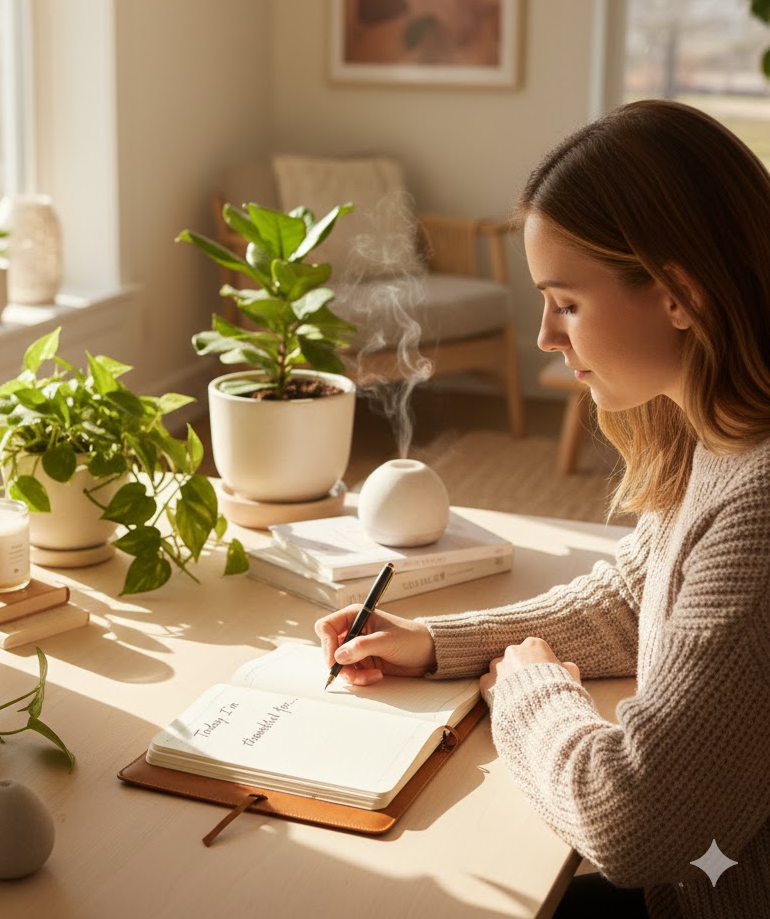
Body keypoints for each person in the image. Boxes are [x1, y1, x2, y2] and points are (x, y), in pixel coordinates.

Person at [315, 99, 770, 919]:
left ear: (679, 295)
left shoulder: (760, 508)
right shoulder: (719, 434)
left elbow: (638, 823)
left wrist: (530, 696)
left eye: (566, 303)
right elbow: (639, 599)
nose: (545, 339)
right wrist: (434, 643)